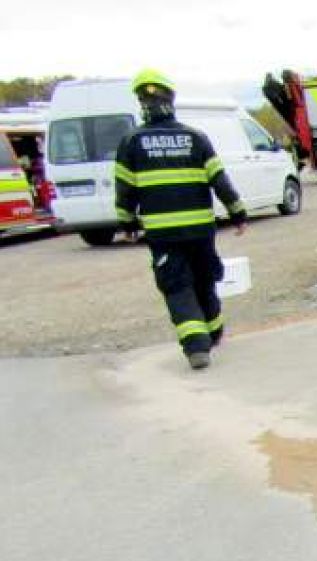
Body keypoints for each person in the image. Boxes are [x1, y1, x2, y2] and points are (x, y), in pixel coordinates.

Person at [114, 69, 247, 370]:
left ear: (141, 102)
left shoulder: (131, 142)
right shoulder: (195, 137)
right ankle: (212, 334)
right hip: (200, 229)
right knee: (204, 279)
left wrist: (127, 223)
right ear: (170, 100)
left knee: (177, 286)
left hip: (163, 234)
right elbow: (219, 180)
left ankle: (197, 347)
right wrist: (237, 212)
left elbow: (125, 190)